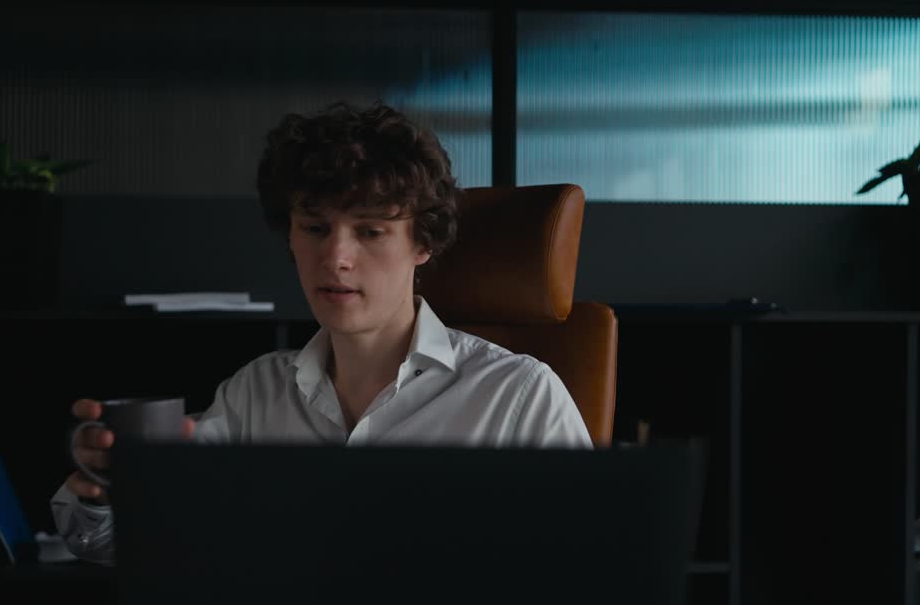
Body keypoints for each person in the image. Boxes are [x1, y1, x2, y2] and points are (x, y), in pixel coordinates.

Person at [52, 101, 591, 564]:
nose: (335, 258)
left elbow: (594, 575)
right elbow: (130, 542)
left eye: (371, 231)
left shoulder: (519, 397)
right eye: (315, 228)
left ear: (422, 244)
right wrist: (109, 489)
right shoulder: (253, 395)